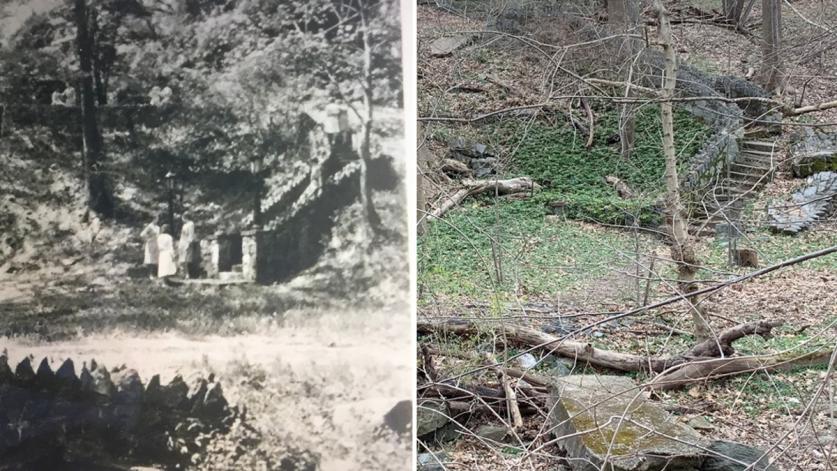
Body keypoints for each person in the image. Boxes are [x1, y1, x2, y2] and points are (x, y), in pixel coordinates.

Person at [178, 212, 196, 279]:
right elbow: (182, 235)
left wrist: (188, 243)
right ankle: (184, 274)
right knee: (182, 260)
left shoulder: (191, 224)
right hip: (182, 242)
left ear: (185, 217)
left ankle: (187, 274)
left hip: (187, 243)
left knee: (185, 259)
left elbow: (191, 234)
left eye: (182, 218)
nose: (182, 220)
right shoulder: (184, 225)